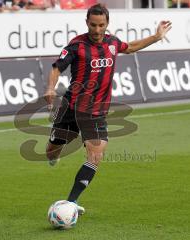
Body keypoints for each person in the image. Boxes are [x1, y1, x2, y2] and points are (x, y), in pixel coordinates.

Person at [45, 3, 172, 215]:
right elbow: (57, 67)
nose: (96, 30)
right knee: (51, 152)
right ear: (87, 23)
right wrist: (50, 87)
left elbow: (130, 47)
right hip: (72, 107)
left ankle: (70, 204)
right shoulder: (76, 46)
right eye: (93, 25)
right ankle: (54, 149)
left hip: (96, 111)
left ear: (107, 23)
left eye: (101, 25)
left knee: (95, 156)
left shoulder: (112, 43)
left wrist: (156, 37)